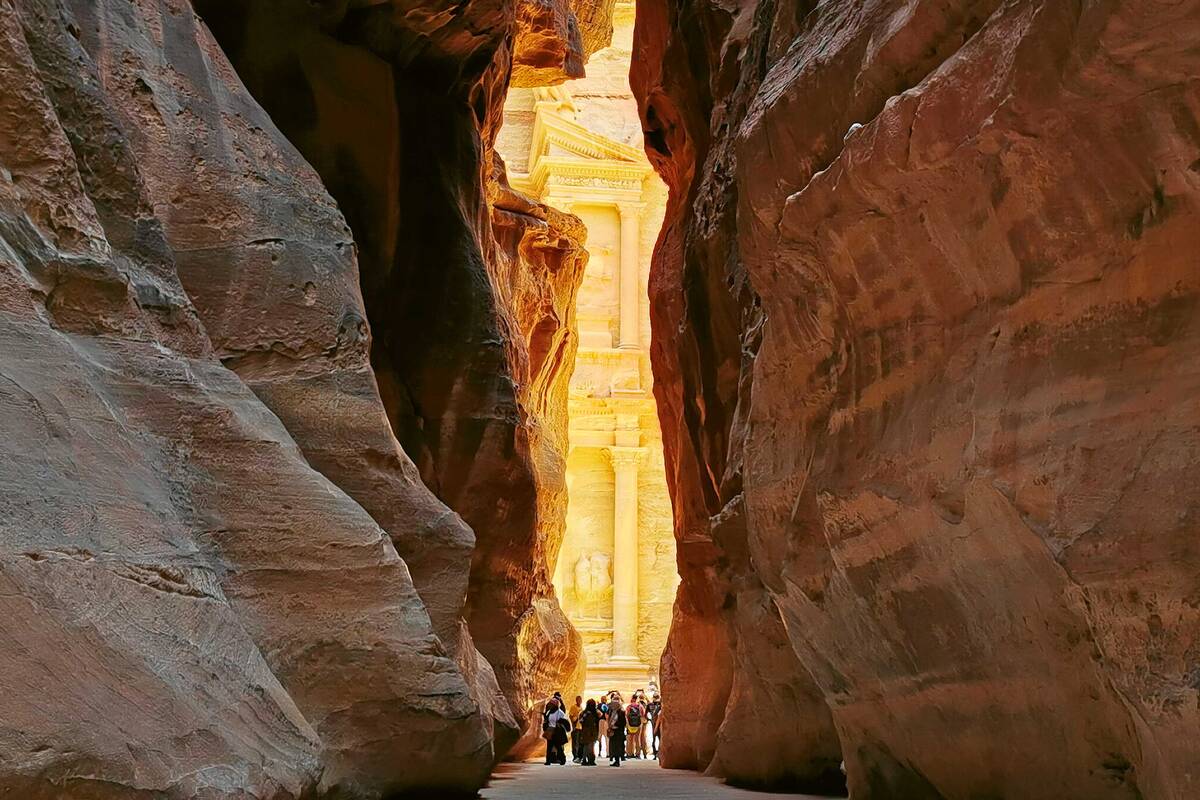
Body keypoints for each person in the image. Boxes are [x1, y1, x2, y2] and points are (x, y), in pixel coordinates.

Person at [543, 698, 569, 765]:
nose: (550, 705)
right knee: (549, 747)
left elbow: (564, 721)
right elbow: (546, 720)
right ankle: (548, 761)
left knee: (558, 746)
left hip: (557, 731)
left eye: (551, 704)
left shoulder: (560, 713)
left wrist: (560, 722)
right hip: (550, 730)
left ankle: (562, 760)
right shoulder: (549, 712)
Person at [578, 699, 601, 766]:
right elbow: (599, 717)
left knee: (586, 746)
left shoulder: (584, 713)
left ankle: (584, 759)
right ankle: (591, 760)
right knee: (591, 746)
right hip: (593, 731)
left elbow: (581, 721)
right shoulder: (596, 713)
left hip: (585, 731)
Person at [607, 701, 627, 766]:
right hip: (613, 731)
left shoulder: (621, 712)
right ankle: (615, 759)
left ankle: (617, 760)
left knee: (617, 746)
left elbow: (623, 722)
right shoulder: (612, 712)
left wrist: (616, 725)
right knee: (613, 746)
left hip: (618, 731)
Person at [646, 693, 663, 758]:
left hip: (655, 724)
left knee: (656, 739)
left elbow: (646, 713)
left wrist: (649, 719)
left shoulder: (651, 704)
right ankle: (657, 753)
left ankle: (657, 753)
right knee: (658, 739)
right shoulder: (660, 705)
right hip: (657, 724)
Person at [569, 695, 584, 762]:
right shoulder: (573, 707)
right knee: (575, 743)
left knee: (579, 742)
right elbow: (571, 716)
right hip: (576, 727)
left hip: (580, 727)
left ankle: (579, 756)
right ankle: (575, 756)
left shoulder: (581, 707)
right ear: (576, 700)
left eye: (580, 700)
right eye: (578, 700)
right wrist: (573, 725)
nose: (580, 701)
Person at [596, 693, 609, 758]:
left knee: (599, 737)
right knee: (607, 738)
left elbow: (597, 714)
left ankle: (599, 752)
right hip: (606, 722)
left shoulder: (599, 705)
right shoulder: (607, 706)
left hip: (600, 721)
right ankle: (608, 753)